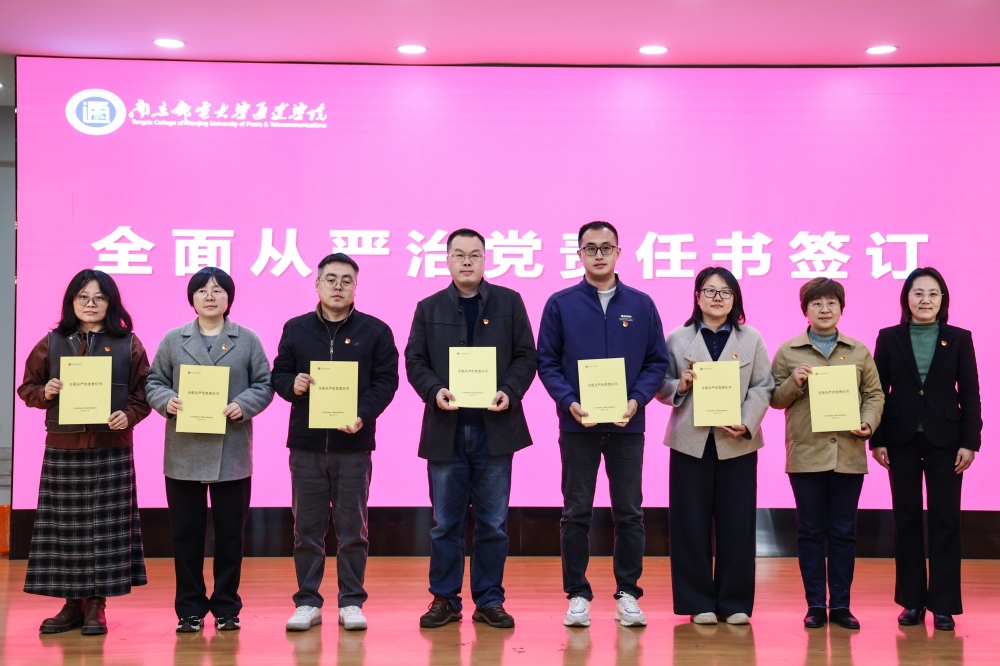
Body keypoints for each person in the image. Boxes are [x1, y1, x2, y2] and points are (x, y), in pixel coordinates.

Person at [537, 221, 669, 628]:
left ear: (618, 252)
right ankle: (577, 594)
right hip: (578, 426)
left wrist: (636, 399)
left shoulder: (642, 304)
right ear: (579, 254)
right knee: (576, 512)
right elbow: (547, 361)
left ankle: (628, 593)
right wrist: (569, 401)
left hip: (628, 424)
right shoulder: (561, 304)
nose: (598, 255)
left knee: (629, 512)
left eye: (606, 247)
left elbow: (656, 362)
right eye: (590, 248)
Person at [404, 228, 537, 629]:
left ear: (484, 259)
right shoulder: (428, 307)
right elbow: (414, 360)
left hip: (495, 429)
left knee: (493, 524)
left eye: (474, 254)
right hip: (446, 430)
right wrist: (434, 390)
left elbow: (526, 355)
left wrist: (509, 391)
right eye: (459, 254)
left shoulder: (509, 302)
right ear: (447, 260)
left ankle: (489, 599)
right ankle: (444, 599)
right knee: (446, 523)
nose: (466, 261)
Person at [17, 269, 151, 636]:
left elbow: (144, 395)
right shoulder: (52, 342)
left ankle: (97, 604)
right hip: (64, 448)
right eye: (83, 297)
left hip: (111, 448)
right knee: (66, 530)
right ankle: (71, 604)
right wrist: (46, 392)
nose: (91, 304)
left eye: (99, 297)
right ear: (71, 302)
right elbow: (27, 388)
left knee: (106, 531)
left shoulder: (129, 343)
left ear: (111, 303)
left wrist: (129, 415)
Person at [272, 253, 399, 632]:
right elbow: (278, 373)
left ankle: (351, 601)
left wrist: (363, 414)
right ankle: (307, 602)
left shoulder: (375, 331)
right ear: (317, 284)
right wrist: (292, 385)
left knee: (353, 531)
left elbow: (386, 382)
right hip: (306, 447)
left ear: (356, 287)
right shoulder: (296, 328)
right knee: (306, 531)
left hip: (353, 446)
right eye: (331, 279)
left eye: (346, 280)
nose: (338, 286)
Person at [146, 266, 274, 633]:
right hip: (184, 452)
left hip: (231, 452)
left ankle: (226, 607)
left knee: (230, 537)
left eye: (218, 290)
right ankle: (189, 609)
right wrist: (167, 400)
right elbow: (154, 381)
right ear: (192, 298)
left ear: (229, 298)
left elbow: (264, 384)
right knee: (186, 537)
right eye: (202, 290)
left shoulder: (247, 339)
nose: (210, 296)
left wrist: (243, 405)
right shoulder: (174, 339)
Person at [656, 267, 773, 626]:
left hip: (736, 443)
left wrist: (747, 422)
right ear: (697, 296)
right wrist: (680, 385)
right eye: (710, 291)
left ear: (735, 298)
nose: (717, 298)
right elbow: (659, 383)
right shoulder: (677, 338)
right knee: (689, 524)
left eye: (725, 292)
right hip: (690, 442)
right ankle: (697, 601)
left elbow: (763, 386)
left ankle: (734, 601)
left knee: (737, 524)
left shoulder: (751, 338)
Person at [871, 267, 981, 631]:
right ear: (906, 298)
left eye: (933, 294)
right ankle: (912, 601)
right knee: (905, 518)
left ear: (943, 300)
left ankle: (944, 604)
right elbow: (877, 392)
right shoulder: (889, 337)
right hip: (900, 439)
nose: (925, 300)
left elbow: (970, 393)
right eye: (918, 293)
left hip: (946, 441)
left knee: (945, 519)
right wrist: (877, 438)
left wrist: (970, 442)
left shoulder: (959, 338)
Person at [770, 277, 884, 630]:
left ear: (841, 308)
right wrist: (794, 382)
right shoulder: (788, 351)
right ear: (805, 309)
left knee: (844, 532)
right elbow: (774, 399)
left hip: (848, 454)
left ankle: (842, 605)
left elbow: (875, 394)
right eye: (816, 303)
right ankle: (816, 604)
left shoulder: (859, 351)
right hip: (806, 454)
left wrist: (867, 423)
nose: (824, 309)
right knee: (809, 531)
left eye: (831, 302)